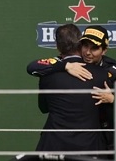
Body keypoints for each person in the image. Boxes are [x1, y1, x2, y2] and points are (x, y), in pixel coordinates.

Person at [27, 25, 116, 160]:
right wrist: (66, 65)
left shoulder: (115, 70)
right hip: (90, 136)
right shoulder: (65, 62)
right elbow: (33, 67)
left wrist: (112, 99)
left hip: (111, 134)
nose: (88, 52)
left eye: (94, 48)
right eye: (85, 46)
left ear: (104, 50)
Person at [33, 23, 111, 154]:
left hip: (54, 146)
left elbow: (43, 108)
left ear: (57, 46)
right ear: (80, 44)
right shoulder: (102, 74)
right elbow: (105, 114)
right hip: (89, 148)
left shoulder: (47, 74)